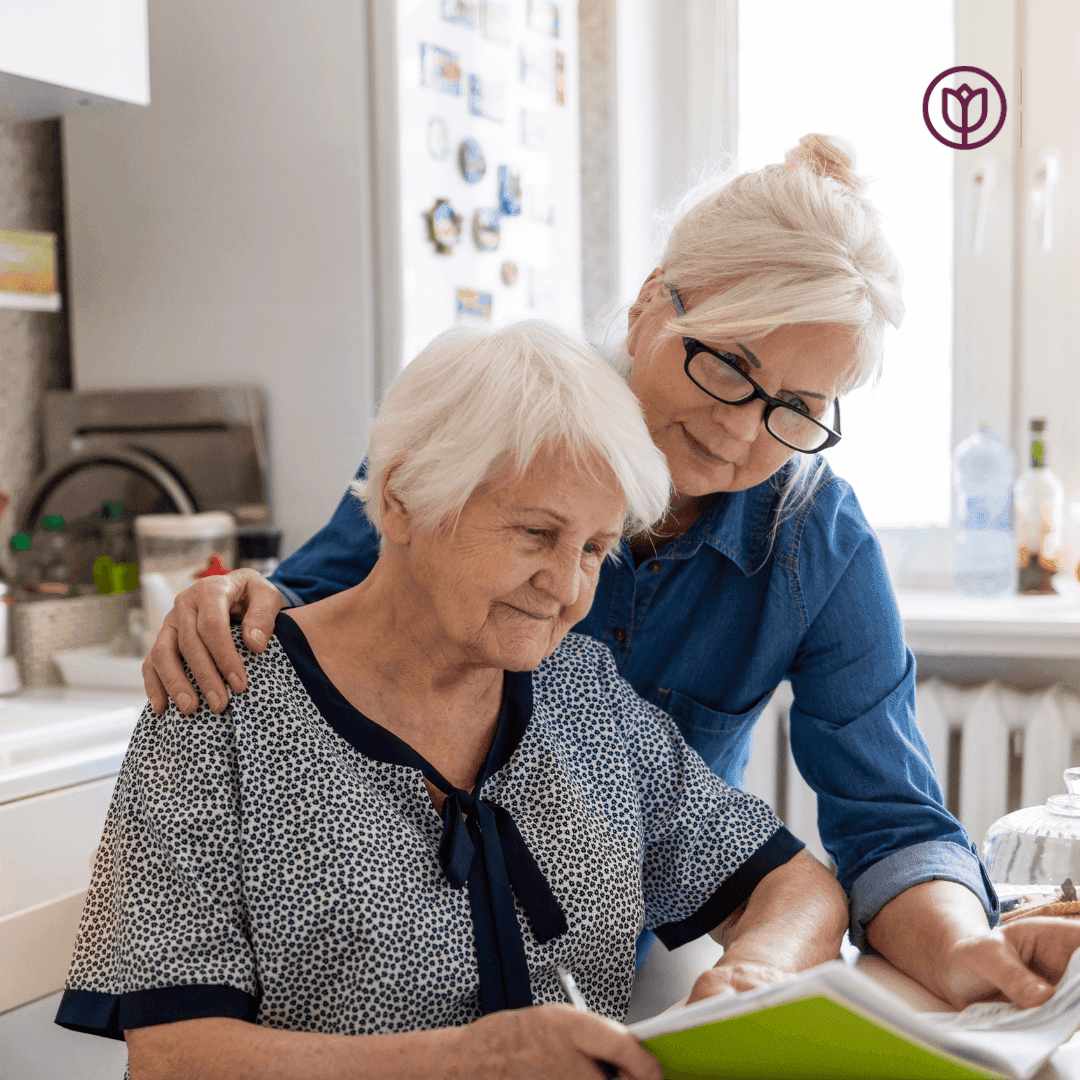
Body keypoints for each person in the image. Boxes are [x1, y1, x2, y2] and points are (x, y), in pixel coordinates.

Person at [142, 134, 1075, 1011]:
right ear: (649, 304)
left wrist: (964, 948)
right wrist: (230, 602)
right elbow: (314, 616)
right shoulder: (497, 429)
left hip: (615, 960)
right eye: (728, 366)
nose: (742, 430)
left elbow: (890, 824)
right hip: (379, 965)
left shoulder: (813, 540)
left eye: (795, 407)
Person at [57, 322, 849, 1078]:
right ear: (402, 498)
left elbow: (795, 886)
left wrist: (755, 974)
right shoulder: (220, 706)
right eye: (536, 535)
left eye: (595, 549)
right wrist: (462, 1067)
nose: (566, 586)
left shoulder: (583, 695)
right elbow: (175, 1060)